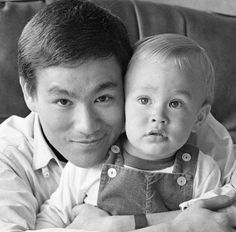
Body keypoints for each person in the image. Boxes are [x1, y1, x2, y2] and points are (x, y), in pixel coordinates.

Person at [0, 0, 235, 231]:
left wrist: (119, 224)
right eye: (63, 101)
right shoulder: (7, 154)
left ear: (126, 84)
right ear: (29, 93)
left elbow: (225, 209)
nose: (87, 126)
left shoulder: (179, 123)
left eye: (103, 98)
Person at [35, 33, 225, 229]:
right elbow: (52, 216)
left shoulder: (204, 171)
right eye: (144, 100)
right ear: (123, 103)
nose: (158, 116)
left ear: (199, 118)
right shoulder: (94, 161)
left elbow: (210, 224)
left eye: (175, 103)